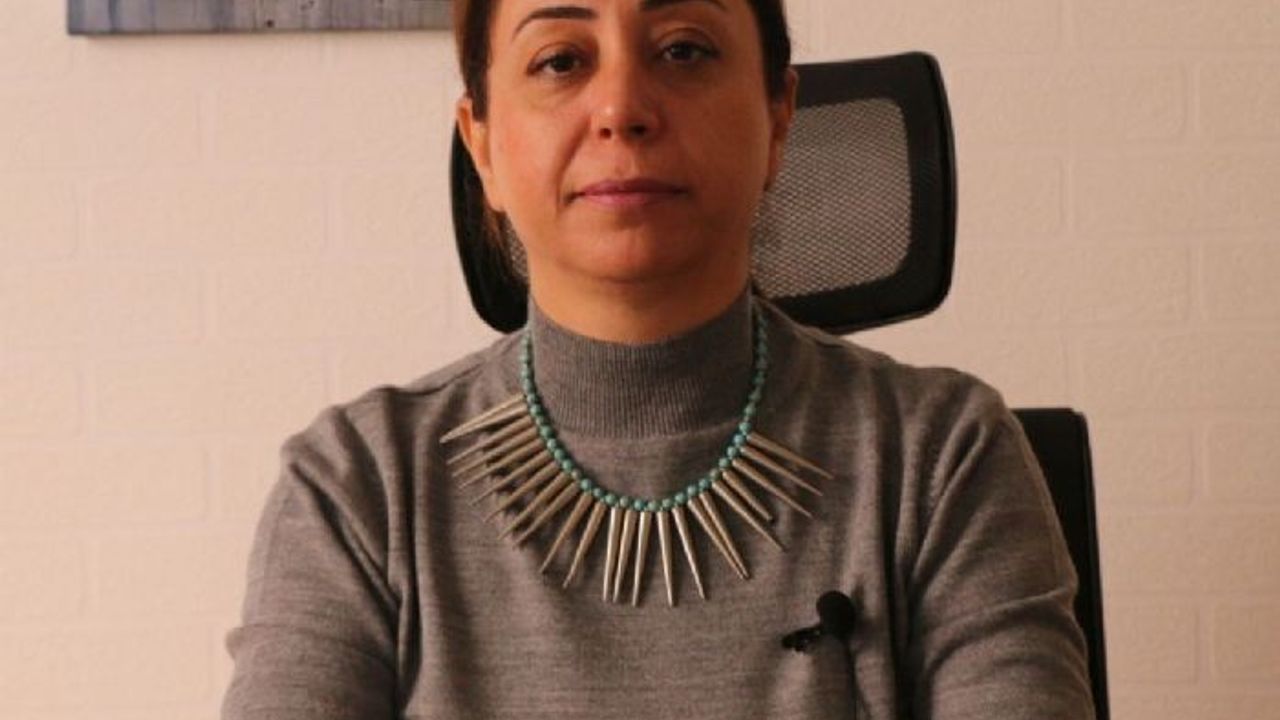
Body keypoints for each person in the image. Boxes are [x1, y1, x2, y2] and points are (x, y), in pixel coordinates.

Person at [221, 0, 1095, 717]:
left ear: (779, 116)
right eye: (561, 60)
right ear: (482, 142)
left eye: (684, 49)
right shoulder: (359, 488)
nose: (621, 108)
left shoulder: (942, 457)